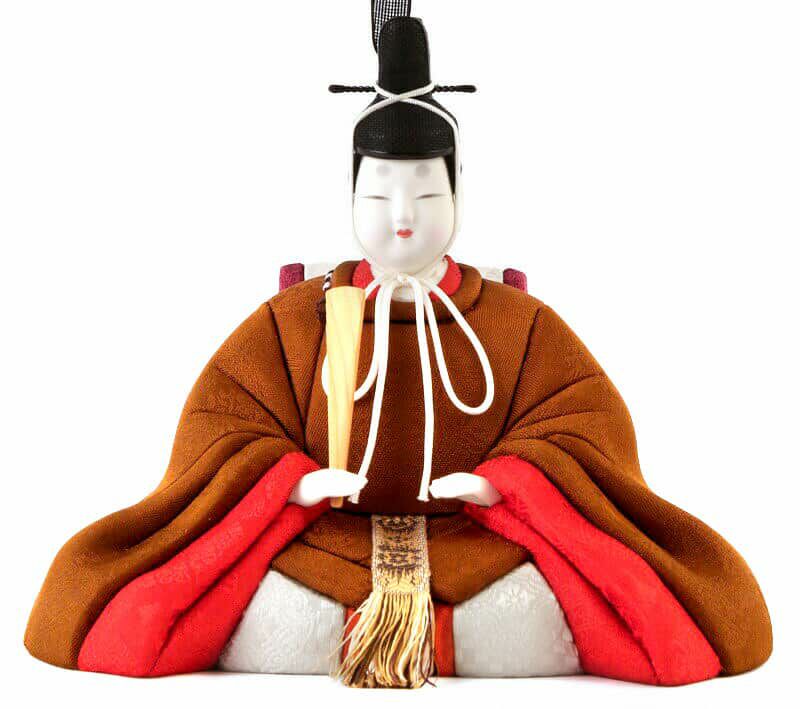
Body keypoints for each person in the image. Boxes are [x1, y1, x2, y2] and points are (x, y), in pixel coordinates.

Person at [26, 11, 771, 689]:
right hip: (321, 542)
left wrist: (508, 484)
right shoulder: (296, 318)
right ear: (352, 198)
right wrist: (288, 484)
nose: (403, 220)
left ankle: (415, 638)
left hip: (477, 543)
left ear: (459, 196)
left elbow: (581, 421)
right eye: (380, 197)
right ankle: (430, 644)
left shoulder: (518, 322)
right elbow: (225, 420)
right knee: (271, 605)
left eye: (426, 195)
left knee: (530, 604)